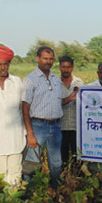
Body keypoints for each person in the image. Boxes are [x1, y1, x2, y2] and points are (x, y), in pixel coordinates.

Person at [22, 46, 64, 187]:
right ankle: (28, 191)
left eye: (51, 59)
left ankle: (56, 190)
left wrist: (71, 97)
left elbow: (58, 102)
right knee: (32, 162)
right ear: (38, 59)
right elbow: (25, 108)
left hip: (55, 126)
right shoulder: (30, 80)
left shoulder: (56, 79)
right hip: (38, 126)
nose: (48, 62)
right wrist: (30, 133)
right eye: (45, 58)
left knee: (56, 162)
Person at [0, 46, 26, 187]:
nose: (3, 68)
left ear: (9, 64)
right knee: (0, 174)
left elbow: (23, 108)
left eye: (5, 64)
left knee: (15, 174)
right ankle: (2, 200)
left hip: (16, 137)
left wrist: (27, 133)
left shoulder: (17, 82)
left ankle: (15, 198)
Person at [59, 55, 84, 163]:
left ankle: (75, 173)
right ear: (59, 67)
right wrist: (69, 99)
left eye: (68, 67)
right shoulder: (55, 83)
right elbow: (52, 104)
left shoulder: (79, 82)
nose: (66, 70)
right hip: (60, 126)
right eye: (63, 67)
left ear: (72, 67)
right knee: (62, 157)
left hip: (76, 126)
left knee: (76, 156)